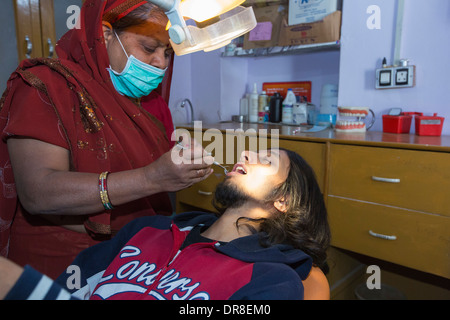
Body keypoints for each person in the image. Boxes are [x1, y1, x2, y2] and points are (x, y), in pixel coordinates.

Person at [0, 0, 213, 279]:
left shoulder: (147, 105)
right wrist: (151, 178)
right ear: (106, 34)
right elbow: (38, 193)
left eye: (168, 52)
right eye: (149, 48)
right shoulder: (46, 86)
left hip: (132, 261)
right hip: (61, 266)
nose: (160, 63)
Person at [0, 148, 331, 300]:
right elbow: (72, 284)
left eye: (266, 160)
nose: (245, 154)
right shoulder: (147, 230)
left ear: (283, 200)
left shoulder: (274, 280)